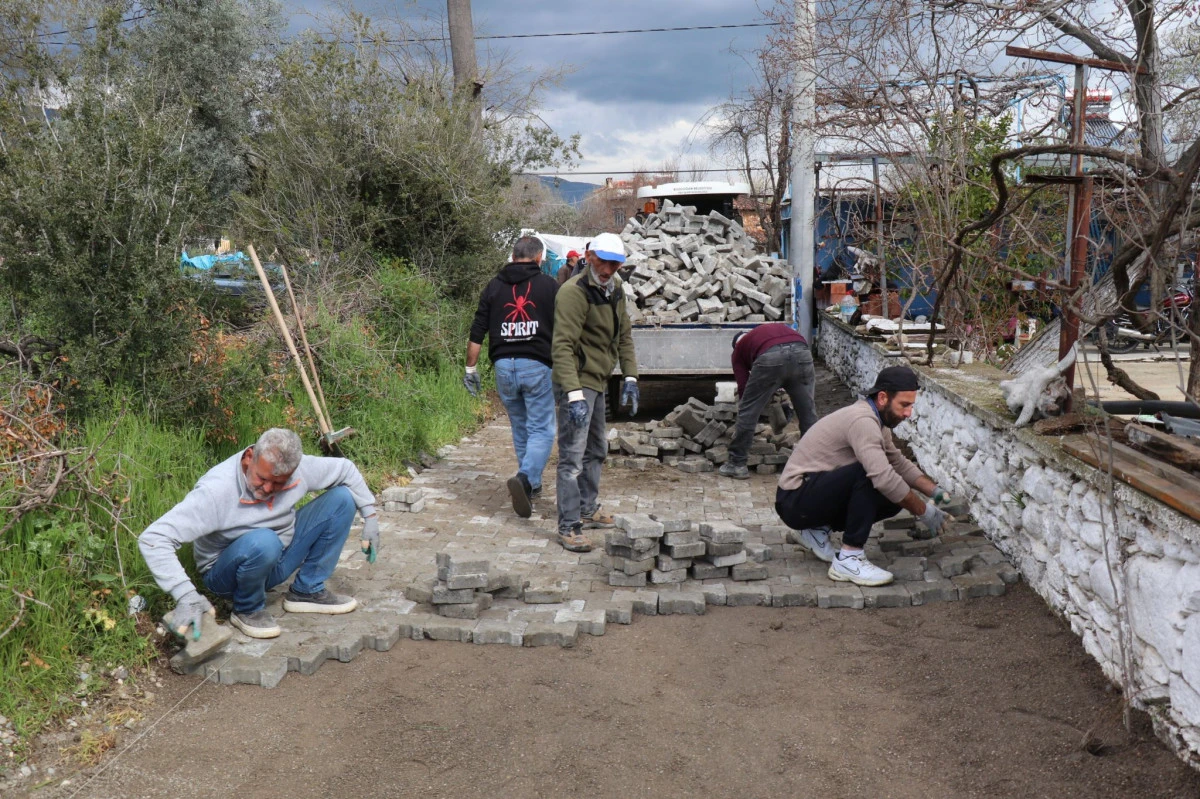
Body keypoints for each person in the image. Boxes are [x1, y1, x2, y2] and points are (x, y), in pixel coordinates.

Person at [138, 428, 379, 639]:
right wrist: (185, 595)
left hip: (277, 557)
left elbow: (345, 469)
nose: (267, 489)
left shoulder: (300, 470)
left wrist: (370, 516)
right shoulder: (216, 491)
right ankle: (247, 608)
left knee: (342, 499)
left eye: (278, 483)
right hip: (226, 575)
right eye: (262, 478)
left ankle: (307, 589)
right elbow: (154, 538)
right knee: (264, 541)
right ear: (249, 457)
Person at [774, 366, 949, 587]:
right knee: (870, 474)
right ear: (883, 398)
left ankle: (815, 530)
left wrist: (934, 491)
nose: (908, 413)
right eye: (904, 405)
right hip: (794, 499)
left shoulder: (877, 420)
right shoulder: (863, 421)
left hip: (807, 497)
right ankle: (849, 558)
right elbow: (883, 476)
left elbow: (897, 462)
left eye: (911, 406)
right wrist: (924, 511)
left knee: (893, 498)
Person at [551, 231, 639, 552]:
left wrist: (630, 376)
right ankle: (568, 526)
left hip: (599, 380)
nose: (607, 269)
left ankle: (587, 509)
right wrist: (573, 395)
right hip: (576, 382)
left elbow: (624, 336)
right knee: (572, 457)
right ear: (589, 258)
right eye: (602, 262)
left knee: (597, 449)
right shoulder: (573, 292)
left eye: (614, 265)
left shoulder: (615, 289)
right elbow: (562, 346)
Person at [464, 235, 559, 518]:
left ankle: (532, 483)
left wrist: (470, 369)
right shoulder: (549, 286)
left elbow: (477, 329)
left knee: (520, 426)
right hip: (536, 364)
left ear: (514, 256)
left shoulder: (494, 286)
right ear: (539, 258)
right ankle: (526, 478)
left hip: (504, 366)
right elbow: (565, 327)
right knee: (542, 429)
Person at [718, 324, 820, 480]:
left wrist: (755, 404)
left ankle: (737, 464)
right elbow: (787, 367)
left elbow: (744, 388)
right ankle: (813, 466)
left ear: (735, 344)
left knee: (747, 410)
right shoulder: (762, 332)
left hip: (770, 358)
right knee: (808, 412)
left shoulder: (738, 350)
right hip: (802, 353)